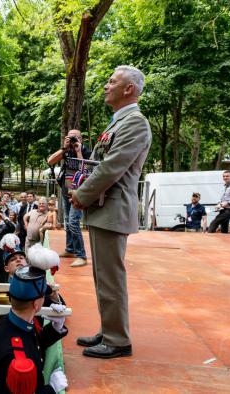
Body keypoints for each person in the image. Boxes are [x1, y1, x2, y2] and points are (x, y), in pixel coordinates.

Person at [71, 65, 151, 359]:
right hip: (105, 208)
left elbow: (112, 166)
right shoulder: (119, 122)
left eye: (111, 81)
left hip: (113, 208)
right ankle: (109, 330)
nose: (106, 86)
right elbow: (98, 163)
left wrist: (81, 194)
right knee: (103, 276)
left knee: (110, 277)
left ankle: (118, 339)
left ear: (128, 88)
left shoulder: (136, 123)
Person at [0, 265, 68, 394]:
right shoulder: (19, 360)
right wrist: (51, 388)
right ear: (36, 304)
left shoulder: (10, 320)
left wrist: (55, 328)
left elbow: (32, 344)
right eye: (43, 296)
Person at [47, 129, 92, 267]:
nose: (72, 140)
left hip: (79, 192)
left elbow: (86, 170)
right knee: (67, 221)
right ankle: (70, 249)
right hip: (66, 190)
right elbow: (50, 161)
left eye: (75, 138)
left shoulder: (86, 151)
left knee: (73, 221)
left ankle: (81, 255)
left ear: (81, 139)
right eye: (70, 137)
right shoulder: (66, 150)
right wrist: (64, 148)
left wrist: (78, 151)